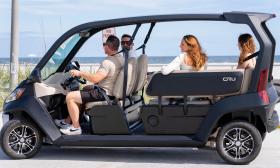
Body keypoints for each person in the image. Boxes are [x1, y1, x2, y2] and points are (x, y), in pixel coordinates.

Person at [56, 35, 124, 135]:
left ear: (107, 47)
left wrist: (80, 73)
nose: (104, 47)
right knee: (84, 90)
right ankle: (67, 121)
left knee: (70, 97)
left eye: (104, 45)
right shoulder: (120, 59)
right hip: (109, 91)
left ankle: (76, 128)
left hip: (104, 93)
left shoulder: (107, 62)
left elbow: (95, 78)